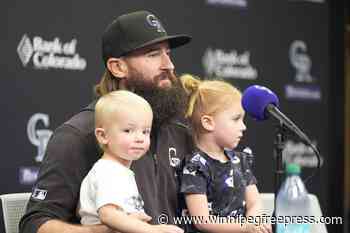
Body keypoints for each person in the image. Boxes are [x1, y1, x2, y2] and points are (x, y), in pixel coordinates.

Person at [20, 10, 192, 233]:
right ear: (117, 67)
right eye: (152, 54)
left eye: (168, 54)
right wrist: (105, 230)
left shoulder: (179, 133)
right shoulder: (79, 134)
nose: (169, 65)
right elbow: (35, 224)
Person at [78, 90, 182, 233]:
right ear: (103, 136)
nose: (140, 138)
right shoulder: (107, 172)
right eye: (128, 130)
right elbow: (108, 215)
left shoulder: (120, 171)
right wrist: (152, 231)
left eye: (145, 131)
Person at [179, 74, 272, 233]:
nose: (243, 127)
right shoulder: (196, 166)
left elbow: (255, 203)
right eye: (236, 119)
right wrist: (246, 227)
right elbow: (203, 221)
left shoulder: (240, 160)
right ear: (208, 122)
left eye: (243, 120)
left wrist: (256, 223)